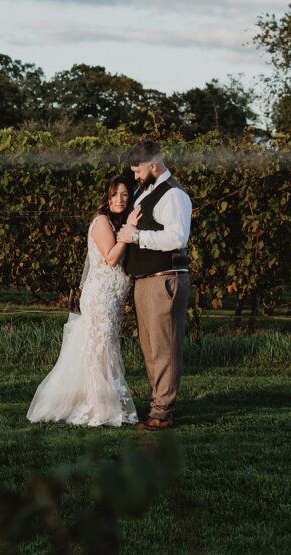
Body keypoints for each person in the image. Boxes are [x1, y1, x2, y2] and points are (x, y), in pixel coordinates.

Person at [26, 175, 140, 427]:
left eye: (124, 195)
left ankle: (104, 401)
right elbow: (111, 258)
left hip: (112, 297)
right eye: (115, 195)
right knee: (99, 349)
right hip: (100, 296)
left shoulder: (114, 222)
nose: (120, 200)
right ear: (107, 197)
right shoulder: (101, 222)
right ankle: (98, 406)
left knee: (105, 347)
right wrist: (129, 230)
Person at [117, 140, 192, 430]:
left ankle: (162, 412)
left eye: (137, 171)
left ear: (152, 165)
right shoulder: (145, 191)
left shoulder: (173, 194)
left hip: (164, 280)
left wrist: (136, 237)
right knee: (150, 348)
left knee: (164, 347)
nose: (135, 176)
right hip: (146, 280)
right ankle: (157, 406)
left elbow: (176, 238)